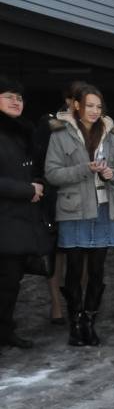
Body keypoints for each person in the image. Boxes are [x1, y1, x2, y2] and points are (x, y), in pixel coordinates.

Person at [44, 84, 114, 346]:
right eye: (89, 105)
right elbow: (52, 174)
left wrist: (111, 174)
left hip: (103, 209)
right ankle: (75, 323)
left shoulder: (110, 137)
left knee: (98, 271)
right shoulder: (60, 135)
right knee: (74, 269)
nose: (94, 111)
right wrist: (84, 169)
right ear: (77, 106)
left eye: (98, 106)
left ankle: (90, 322)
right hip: (74, 210)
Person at [0, 76, 50, 350]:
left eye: (19, 98)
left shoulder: (23, 133)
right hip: (5, 220)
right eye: (9, 96)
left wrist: (38, 184)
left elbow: (33, 172)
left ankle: (6, 331)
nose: (16, 102)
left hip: (20, 223)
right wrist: (26, 189)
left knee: (11, 283)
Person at [33, 80, 86, 326]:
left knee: (83, 252)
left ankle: (80, 302)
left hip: (84, 196)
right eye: (75, 98)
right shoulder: (49, 124)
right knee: (57, 255)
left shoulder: (93, 124)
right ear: (67, 100)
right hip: (55, 196)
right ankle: (56, 304)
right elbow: (40, 161)